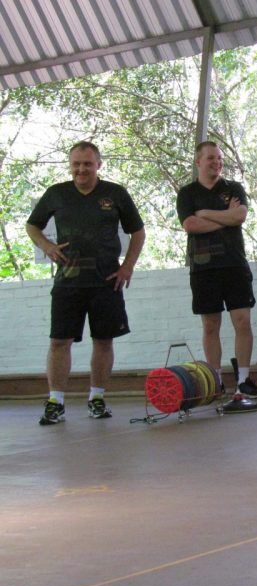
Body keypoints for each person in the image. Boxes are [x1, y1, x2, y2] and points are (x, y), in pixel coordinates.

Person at [26, 141, 146, 425]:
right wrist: (47, 245)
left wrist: (127, 267)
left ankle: (97, 399)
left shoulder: (115, 194)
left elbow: (138, 232)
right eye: (76, 164)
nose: (81, 169)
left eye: (87, 164)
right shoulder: (57, 193)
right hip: (68, 281)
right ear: (71, 165)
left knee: (103, 341)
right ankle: (55, 402)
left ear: (98, 165)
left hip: (107, 280)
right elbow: (33, 225)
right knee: (59, 341)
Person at [176, 141, 257, 413]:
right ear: (198, 162)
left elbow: (240, 216)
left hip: (234, 264)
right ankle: (215, 380)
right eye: (211, 158)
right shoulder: (187, 193)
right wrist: (224, 217)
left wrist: (208, 215)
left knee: (242, 321)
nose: (216, 163)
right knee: (210, 325)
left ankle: (243, 381)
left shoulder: (233, 189)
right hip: (204, 268)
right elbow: (190, 225)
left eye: (219, 158)